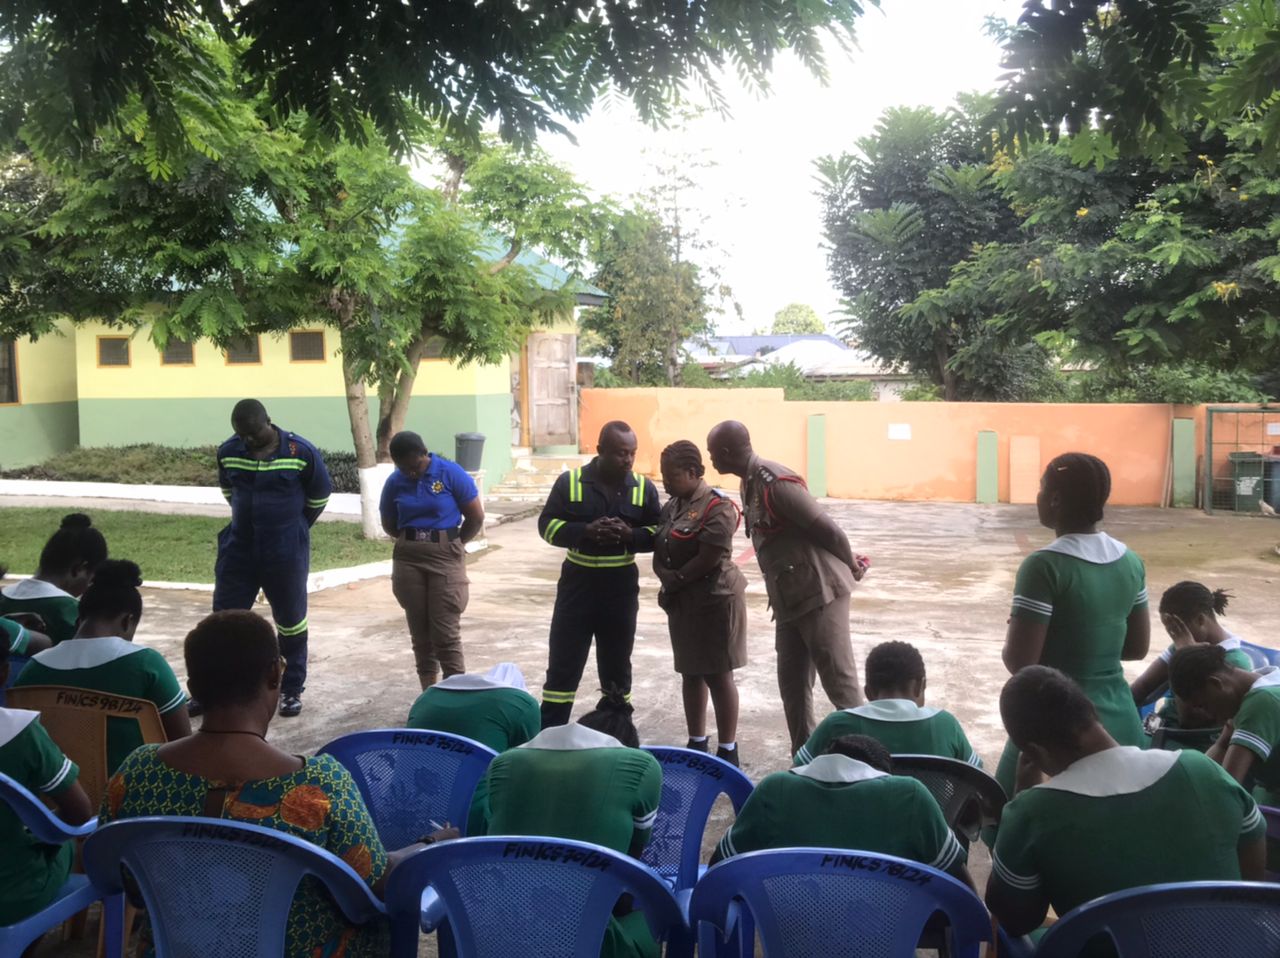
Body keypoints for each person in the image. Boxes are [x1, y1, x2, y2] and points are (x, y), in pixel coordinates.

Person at [99, 610, 439, 958]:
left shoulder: (138, 772)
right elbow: (377, 886)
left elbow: (125, 882)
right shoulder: (318, 785)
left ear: (193, 688)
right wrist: (430, 844)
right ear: (276, 674)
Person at [987, 666, 1265, 941]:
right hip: (1234, 946)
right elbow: (1252, 866)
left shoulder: (1031, 813)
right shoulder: (1201, 769)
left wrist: (1023, 792)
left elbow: (1016, 920)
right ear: (1093, 712)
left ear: (1034, 752)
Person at [706, 420, 869, 753]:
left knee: (841, 687)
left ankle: (869, 761)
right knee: (792, 688)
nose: (711, 459)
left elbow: (828, 529)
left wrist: (851, 564)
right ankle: (803, 759)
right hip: (789, 601)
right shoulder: (749, 482)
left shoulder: (774, 482)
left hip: (820, 594)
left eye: (712, 453)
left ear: (726, 452)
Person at [998, 453, 1149, 798]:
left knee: (1008, 811)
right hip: (1121, 723)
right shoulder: (1130, 561)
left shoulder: (1043, 567)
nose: (1037, 497)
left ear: (1054, 499)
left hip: (1057, 727)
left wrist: (1017, 631)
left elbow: (1021, 664)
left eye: (1041, 489)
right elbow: (1136, 648)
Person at [472, 688, 663, 958]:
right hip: (592, 942)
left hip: (501, 937)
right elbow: (630, 865)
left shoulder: (503, 764)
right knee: (652, 920)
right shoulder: (641, 767)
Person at [710, 734, 970, 886]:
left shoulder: (774, 790)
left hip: (789, 941)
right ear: (882, 776)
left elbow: (719, 866)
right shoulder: (910, 796)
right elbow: (959, 882)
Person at [211, 398, 332, 718]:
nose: (248, 439)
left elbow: (319, 495)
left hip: (285, 550)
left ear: (269, 421)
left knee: (291, 622)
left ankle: (290, 689)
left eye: (254, 432)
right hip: (239, 548)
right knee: (223, 622)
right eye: (242, 434)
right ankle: (218, 690)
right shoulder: (228, 451)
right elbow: (228, 490)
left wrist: (294, 527)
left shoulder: (299, 452)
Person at [536, 421, 661, 727]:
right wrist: (584, 531)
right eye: (620, 453)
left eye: (632, 453)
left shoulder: (643, 488)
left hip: (620, 590)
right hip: (577, 587)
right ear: (600, 450)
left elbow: (659, 533)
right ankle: (551, 735)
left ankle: (616, 733)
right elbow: (546, 526)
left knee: (617, 668)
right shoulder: (570, 482)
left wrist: (630, 535)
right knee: (563, 666)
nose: (628, 460)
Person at [14, 560, 191, 774]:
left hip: (51, 792)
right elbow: (183, 743)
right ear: (127, 621)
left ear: (79, 619)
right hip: (131, 791)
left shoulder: (34, 668)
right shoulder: (147, 664)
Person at [652, 440, 747, 766]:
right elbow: (661, 546)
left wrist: (674, 580)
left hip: (715, 601)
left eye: (672, 476)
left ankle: (728, 748)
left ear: (693, 472)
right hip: (683, 601)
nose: (665, 482)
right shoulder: (672, 506)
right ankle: (697, 742)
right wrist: (665, 576)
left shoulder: (717, 506)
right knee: (690, 671)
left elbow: (709, 557)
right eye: (664, 475)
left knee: (718, 674)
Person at [0, 636, 93, 929]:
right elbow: (79, 813)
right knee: (68, 844)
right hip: (12, 894)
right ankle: (22, 944)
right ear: (4, 672)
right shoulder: (20, 733)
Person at [379, 430, 485, 689]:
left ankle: (456, 693)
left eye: (415, 466)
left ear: (424, 454)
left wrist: (455, 543)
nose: (411, 473)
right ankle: (429, 694)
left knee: (445, 633)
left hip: (445, 557)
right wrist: (413, 540)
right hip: (409, 559)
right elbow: (389, 522)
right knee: (420, 635)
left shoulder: (450, 473)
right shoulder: (395, 481)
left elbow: (476, 517)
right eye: (404, 468)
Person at [793, 641, 981, 767]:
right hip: (932, 818)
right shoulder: (945, 725)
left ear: (868, 692)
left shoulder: (836, 725)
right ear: (920, 686)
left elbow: (796, 772)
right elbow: (979, 781)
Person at [1131, 581, 1253, 729]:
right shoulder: (1181, 642)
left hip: (1192, 738)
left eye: (1177, 628)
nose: (1174, 635)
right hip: (1160, 728)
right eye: (1169, 629)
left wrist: (1185, 656)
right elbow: (1141, 688)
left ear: (1200, 620)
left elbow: (1189, 720)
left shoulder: (1233, 662)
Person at [1169, 644, 1280, 806]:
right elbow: (1221, 747)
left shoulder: (1261, 702)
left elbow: (1228, 785)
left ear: (1215, 683)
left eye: (1203, 705)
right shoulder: (1255, 687)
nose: (1207, 715)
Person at [0, 513, 108, 645]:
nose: (89, 587)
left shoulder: (3, 596)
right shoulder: (71, 611)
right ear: (79, 569)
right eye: (92, 579)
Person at [406, 662, 540, 752]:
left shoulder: (426, 698)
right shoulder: (522, 705)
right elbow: (527, 761)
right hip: (476, 787)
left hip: (409, 786)